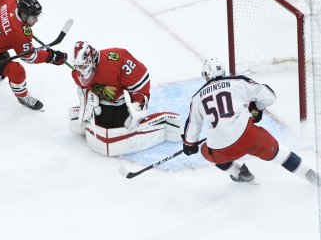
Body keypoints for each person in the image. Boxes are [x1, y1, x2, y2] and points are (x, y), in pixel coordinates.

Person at [182, 57, 318, 184]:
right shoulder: (238, 82)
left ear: (205, 75)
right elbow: (269, 97)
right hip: (249, 136)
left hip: (220, 149)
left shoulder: (197, 98)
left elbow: (193, 126)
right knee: (279, 154)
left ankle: (239, 173)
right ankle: (308, 173)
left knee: (206, 150)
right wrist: (256, 107)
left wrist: (190, 145)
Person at [68, 41, 183, 156]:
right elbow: (84, 85)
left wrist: (138, 103)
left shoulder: (115, 59)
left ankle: (151, 121)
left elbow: (140, 79)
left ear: (91, 59)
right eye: (77, 66)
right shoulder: (77, 73)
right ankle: (91, 109)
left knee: (122, 125)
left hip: (121, 101)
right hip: (103, 102)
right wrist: (89, 97)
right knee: (104, 124)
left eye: (82, 66)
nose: (80, 70)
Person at [0, 0, 68, 111]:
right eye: (34, 17)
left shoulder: (12, 0)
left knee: (5, 58)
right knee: (15, 71)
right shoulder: (19, 34)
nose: (37, 20)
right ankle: (22, 97)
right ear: (23, 15)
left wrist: (3, 20)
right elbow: (29, 57)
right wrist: (51, 56)